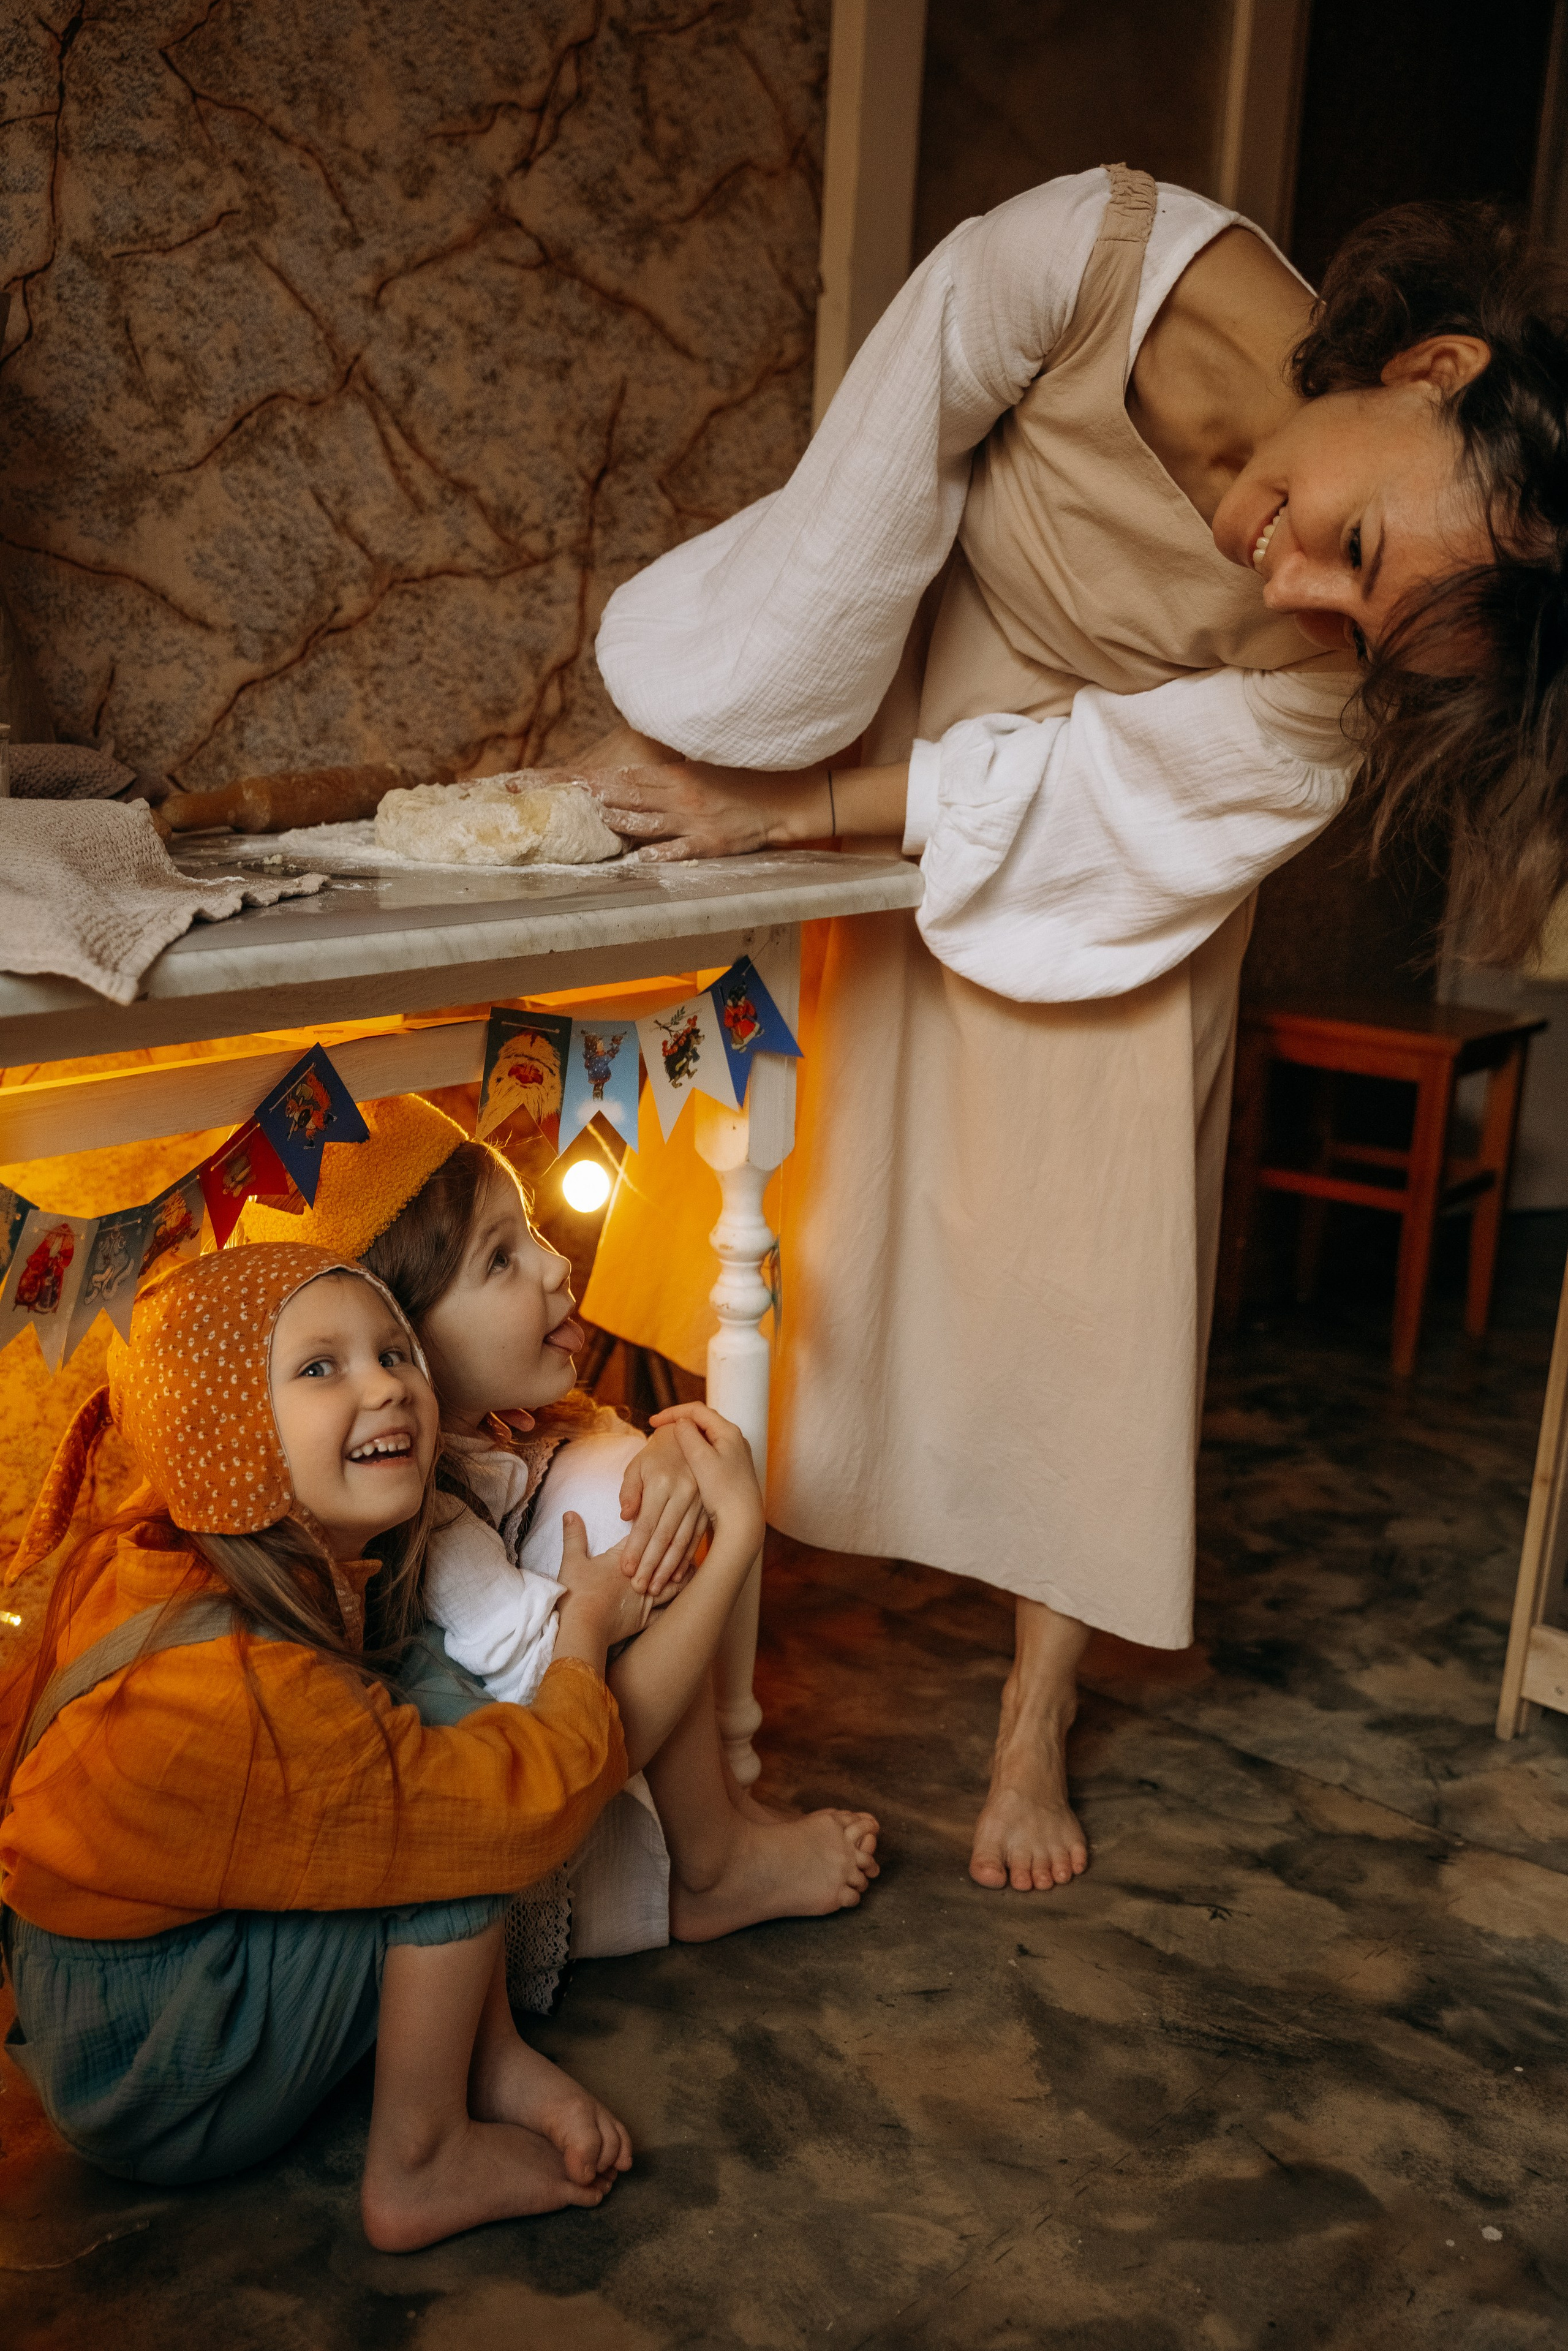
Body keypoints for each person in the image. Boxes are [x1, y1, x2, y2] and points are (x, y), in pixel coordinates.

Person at [570, 171, 1568, 1895]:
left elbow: (1120, 784)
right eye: (1357, 551)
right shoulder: (1107, 259)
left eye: (1365, 624)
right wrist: (767, 737)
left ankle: (1036, 1710)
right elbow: (863, 497)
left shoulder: (1315, 702)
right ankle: (681, 1588)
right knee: (786, 1190)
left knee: (1094, 1268)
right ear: (1430, 369)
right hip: (920, 687)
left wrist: (808, 807)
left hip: (1131, 853)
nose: (1312, 596)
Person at [0, 1244, 766, 2246]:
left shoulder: (194, 1550)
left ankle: (480, 2059)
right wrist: (585, 1627)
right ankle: (420, 2157)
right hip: (151, 2071)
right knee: (463, 1813)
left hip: (124, 1994)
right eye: (320, 1368)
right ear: (227, 1432)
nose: (387, 1387)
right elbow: (518, 1803)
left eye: (396, 1353)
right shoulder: (236, 1689)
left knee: (433, 1706)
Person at [241, 1092, 881, 1946]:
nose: (554, 1267)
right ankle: (715, 1860)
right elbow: (576, 1732)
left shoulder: (485, 1437)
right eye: (500, 1260)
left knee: (626, 1479)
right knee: (624, 1512)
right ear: (409, 1345)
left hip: (573, 1778)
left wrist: (654, 1452)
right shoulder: (430, 1532)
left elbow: (574, 1440)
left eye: (532, 1232)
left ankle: (721, 1817)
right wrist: (732, 1544)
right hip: (527, 1854)